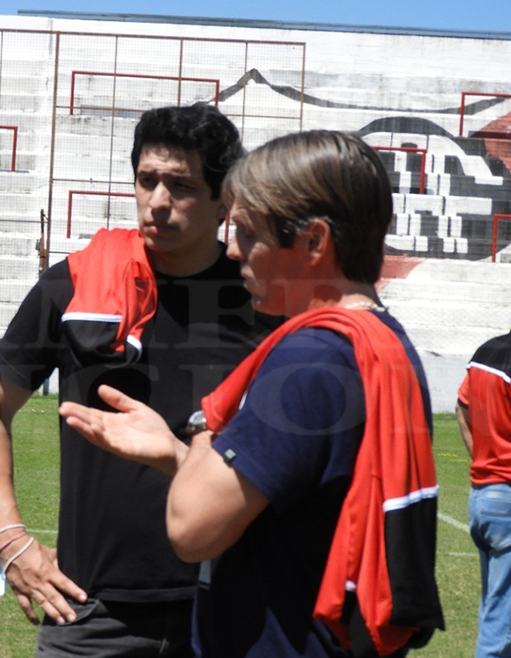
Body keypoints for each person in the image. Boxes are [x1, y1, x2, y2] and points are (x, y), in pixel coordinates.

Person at [61, 130, 445, 658]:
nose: (234, 247)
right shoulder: (381, 340)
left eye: (247, 231)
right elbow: (279, 499)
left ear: (313, 242)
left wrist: (201, 425)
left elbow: (190, 529)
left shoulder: (310, 359)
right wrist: (174, 454)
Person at [0, 104, 273, 656]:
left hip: (229, 606)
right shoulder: (75, 285)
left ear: (224, 199)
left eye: (181, 186)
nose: (157, 201)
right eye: (147, 180)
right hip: (91, 610)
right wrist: (10, 539)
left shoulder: (263, 303)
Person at [456, 333, 511, 658]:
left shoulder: (487, 351)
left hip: (484, 496)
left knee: (496, 610)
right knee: (501, 630)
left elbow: (461, 408)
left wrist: (482, 460)